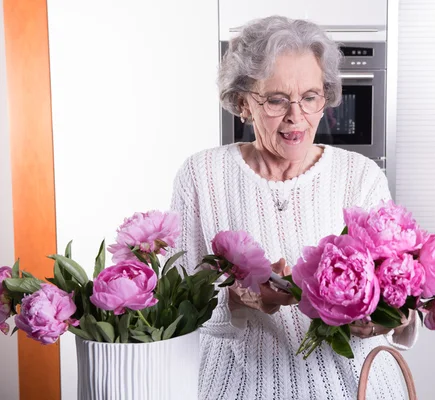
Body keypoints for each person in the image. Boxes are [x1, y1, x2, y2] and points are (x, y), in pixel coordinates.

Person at [169, 15, 419, 400]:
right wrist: (237, 297)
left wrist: (386, 317)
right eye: (276, 99)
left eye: (310, 97)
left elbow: (397, 291)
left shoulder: (361, 176)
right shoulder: (202, 176)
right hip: (239, 389)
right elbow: (178, 303)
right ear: (243, 103)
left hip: (357, 388)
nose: (296, 116)